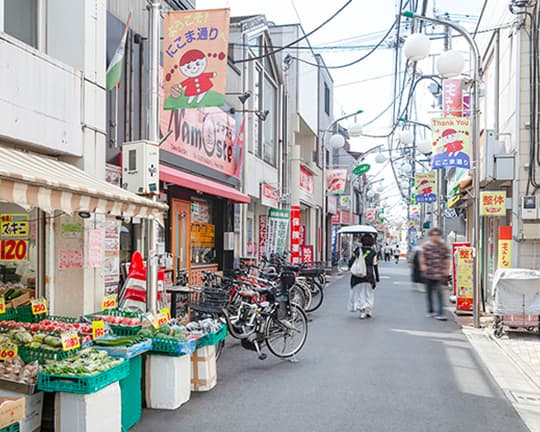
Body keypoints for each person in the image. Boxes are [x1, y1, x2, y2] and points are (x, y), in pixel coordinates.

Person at [419, 227, 450, 321]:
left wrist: (447, 270)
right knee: (429, 293)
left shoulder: (443, 247)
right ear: (430, 236)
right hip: (428, 273)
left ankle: (440, 312)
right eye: (433, 235)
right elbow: (422, 257)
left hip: (439, 274)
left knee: (440, 294)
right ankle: (431, 310)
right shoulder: (426, 246)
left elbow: (447, 259)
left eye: (437, 235)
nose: (435, 237)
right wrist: (423, 265)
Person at [348, 234, 380, 319]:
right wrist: (377, 277)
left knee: (360, 293)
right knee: (369, 293)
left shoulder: (357, 250)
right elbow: (375, 265)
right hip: (369, 275)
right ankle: (368, 309)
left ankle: (362, 311)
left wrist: (350, 267)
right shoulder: (373, 252)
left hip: (358, 275)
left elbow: (351, 261)